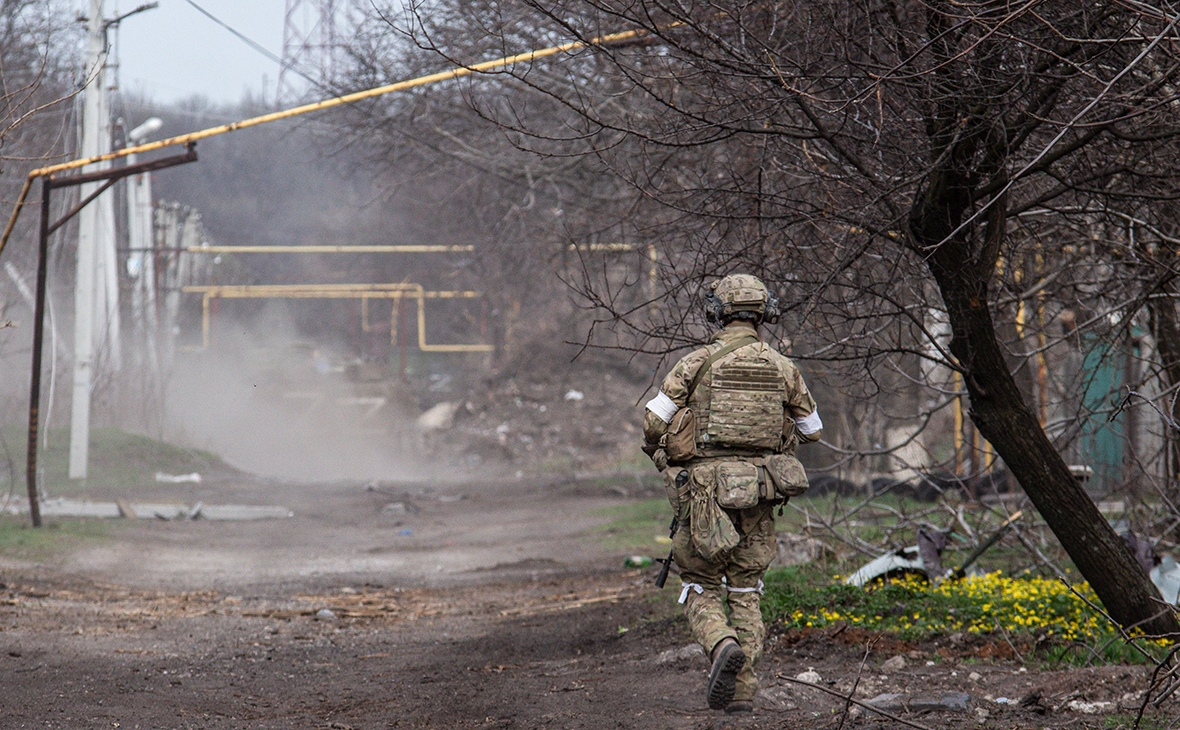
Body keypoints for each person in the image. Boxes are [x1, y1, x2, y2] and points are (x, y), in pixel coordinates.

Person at [642, 273, 823, 714]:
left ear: (715, 311)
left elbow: (653, 424)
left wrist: (666, 459)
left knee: (700, 581)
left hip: (704, 495)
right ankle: (742, 690)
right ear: (766, 313)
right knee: (746, 589)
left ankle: (721, 643)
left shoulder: (695, 362)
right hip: (761, 491)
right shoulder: (784, 368)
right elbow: (812, 430)